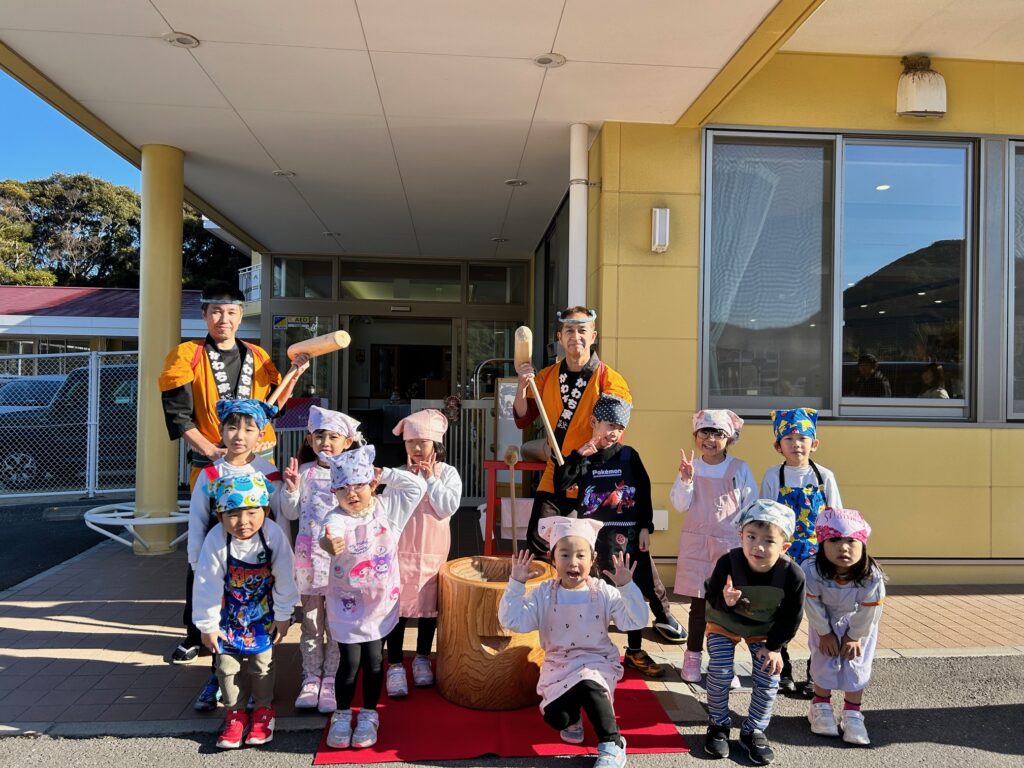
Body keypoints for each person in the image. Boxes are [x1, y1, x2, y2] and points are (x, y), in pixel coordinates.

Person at [513, 306, 685, 644]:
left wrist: (590, 446)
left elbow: (614, 427)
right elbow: (523, 418)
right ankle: (551, 609)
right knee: (540, 538)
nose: (575, 337)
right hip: (559, 472)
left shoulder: (610, 379)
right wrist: (522, 385)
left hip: (598, 476)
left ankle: (661, 610)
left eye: (582, 330)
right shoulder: (545, 377)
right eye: (569, 330)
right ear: (560, 337)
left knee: (622, 547)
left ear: (593, 336)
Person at [160, 281, 307, 661]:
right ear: (204, 314)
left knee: (263, 544)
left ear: (241, 316)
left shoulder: (257, 355)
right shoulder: (187, 355)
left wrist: (295, 373)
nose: (223, 319)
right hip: (213, 468)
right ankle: (196, 632)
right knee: (205, 548)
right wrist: (213, 452)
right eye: (215, 312)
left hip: (258, 465)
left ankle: (262, 620)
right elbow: (179, 415)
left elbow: (273, 406)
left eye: (230, 312)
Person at [499, 517, 649, 768]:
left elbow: (636, 620)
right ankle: (574, 716)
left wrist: (627, 587)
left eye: (581, 555)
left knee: (589, 682)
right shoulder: (543, 593)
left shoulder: (603, 591)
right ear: (552, 558)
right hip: (559, 665)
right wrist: (516, 584)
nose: (573, 562)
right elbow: (512, 620)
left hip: (596, 661)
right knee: (557, 717)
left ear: (593, 559)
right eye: (565, 555)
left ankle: (613, 744)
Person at [318, 445, 427, 750]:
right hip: (346, 604)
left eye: (358, 485)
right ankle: (342, 714)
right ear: (334, 492)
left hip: (380, 604)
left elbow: (417, 487)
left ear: (372, 484)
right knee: (350, 662)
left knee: (375, 661)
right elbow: (328, 534)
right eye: (343, 488)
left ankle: (368, 714)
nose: (351, 494)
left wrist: (386, 473)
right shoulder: (336, 517)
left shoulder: (388, 511)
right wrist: (329, 544)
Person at [554, 394, 669, 678]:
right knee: (592, 593)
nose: (613, 433)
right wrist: (578, 456)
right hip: (593, 540)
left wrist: (645, 527)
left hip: (627, 538)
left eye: (619, 428)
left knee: (632, 592)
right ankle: (590, 647)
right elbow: (561, 484)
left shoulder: (629, 456)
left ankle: (635, 650)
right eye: (608, 425)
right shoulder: (583, 457)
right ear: (594, 422)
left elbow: (644, 492)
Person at [184, 399, 282, 712]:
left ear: (261, 434)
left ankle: (258, 685)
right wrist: (195, 561)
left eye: (249, 429)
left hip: (260, 566)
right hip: (220, 563)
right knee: (221, 621)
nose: (239, 435)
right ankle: (218, 677)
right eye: (232, 427)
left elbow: (280, 520)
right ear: (221, 430)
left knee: (260, 621)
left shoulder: (268, 472)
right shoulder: (210, 472)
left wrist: (283, 564)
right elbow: (198, 519)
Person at [191, 473, 299, 749]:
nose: (243, 522)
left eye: (252, 512)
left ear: (266, 511)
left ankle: (263, 711)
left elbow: (286, 576)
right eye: (233, 514)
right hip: (229, 616)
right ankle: (235, 714)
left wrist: (283, 615)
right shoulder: (216, 539)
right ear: (219, 516)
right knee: (226, 666)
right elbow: (206, 583)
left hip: (264, 615)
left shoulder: (272, 535)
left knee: (262, 665)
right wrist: (207, 624)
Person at [702, 500, 805, 765]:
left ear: (784, 547)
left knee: (769, 674)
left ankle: (753, 730)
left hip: (764, 629)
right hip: (724, 621)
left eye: (769, 541)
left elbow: (791, 616)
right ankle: (718, 724)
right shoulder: (728, 562)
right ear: (741, 536)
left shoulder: (792, 575)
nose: (758, 546)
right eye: (751, 537)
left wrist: (775, 647)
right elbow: (711, 596)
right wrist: (725, 600)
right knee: (720, 669)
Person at [279, 406, 363, 714]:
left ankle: (331, 679)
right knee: (312, 622)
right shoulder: (304, 472)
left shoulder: (353, 473)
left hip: (342, 561)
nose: (325, 442)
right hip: (310, 561)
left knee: (338, 623)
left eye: (333, 437)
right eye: (319, 436)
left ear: (348, 442)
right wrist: (291, 490)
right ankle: (311, 677)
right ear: (309, 440)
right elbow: (290, 513)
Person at [760, 407, 842, 694]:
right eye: (789, 439)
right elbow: (766, 517)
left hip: (818, 555)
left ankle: (815, 672)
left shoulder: (824, 476)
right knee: (779, 610)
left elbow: (835, 517)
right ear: (778, 446)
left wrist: (836, 554)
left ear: (814, 443)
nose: (796, 444)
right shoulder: (774, 475)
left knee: (820, 612)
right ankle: (781, 669)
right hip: (783, 555)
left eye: (803, 438)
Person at [670, 409, 756, 684]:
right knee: (699, 606)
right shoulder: (691, 467)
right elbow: (680, 504)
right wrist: (686, 480)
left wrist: (749, 543)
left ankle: (724, 664)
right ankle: (692, 657)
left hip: (729, 547)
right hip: (697, 544)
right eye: (704, 432)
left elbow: (751, 507)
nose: (710, 438)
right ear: (695, 436)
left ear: (729, 438)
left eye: (718, 433)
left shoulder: (739, 469)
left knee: (727, 606)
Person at [384, 409, 463, 697]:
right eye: (411, 442)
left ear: (436, 444)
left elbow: (447, 507)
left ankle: (421, 658)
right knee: (398, 608)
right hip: (400, 550)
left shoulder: (448, 473)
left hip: (433, 551)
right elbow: (387, 511)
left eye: (423, 442)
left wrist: (431, 480)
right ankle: (394, 664)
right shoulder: (399, 474)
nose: (417, 448)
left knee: (430, 607)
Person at [804, 508, 885, 746]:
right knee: (823, 659)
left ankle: (852, 712)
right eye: (835, 540)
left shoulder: (871, 575)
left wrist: (854, 636)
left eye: (851, 541)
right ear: (821, 543)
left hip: (859, 625)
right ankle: (820, 706)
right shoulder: (811, 570)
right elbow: (811, 603)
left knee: (856, 664)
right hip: (823, 621)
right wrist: (824, 632)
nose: (844, 547)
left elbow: (870, 610)